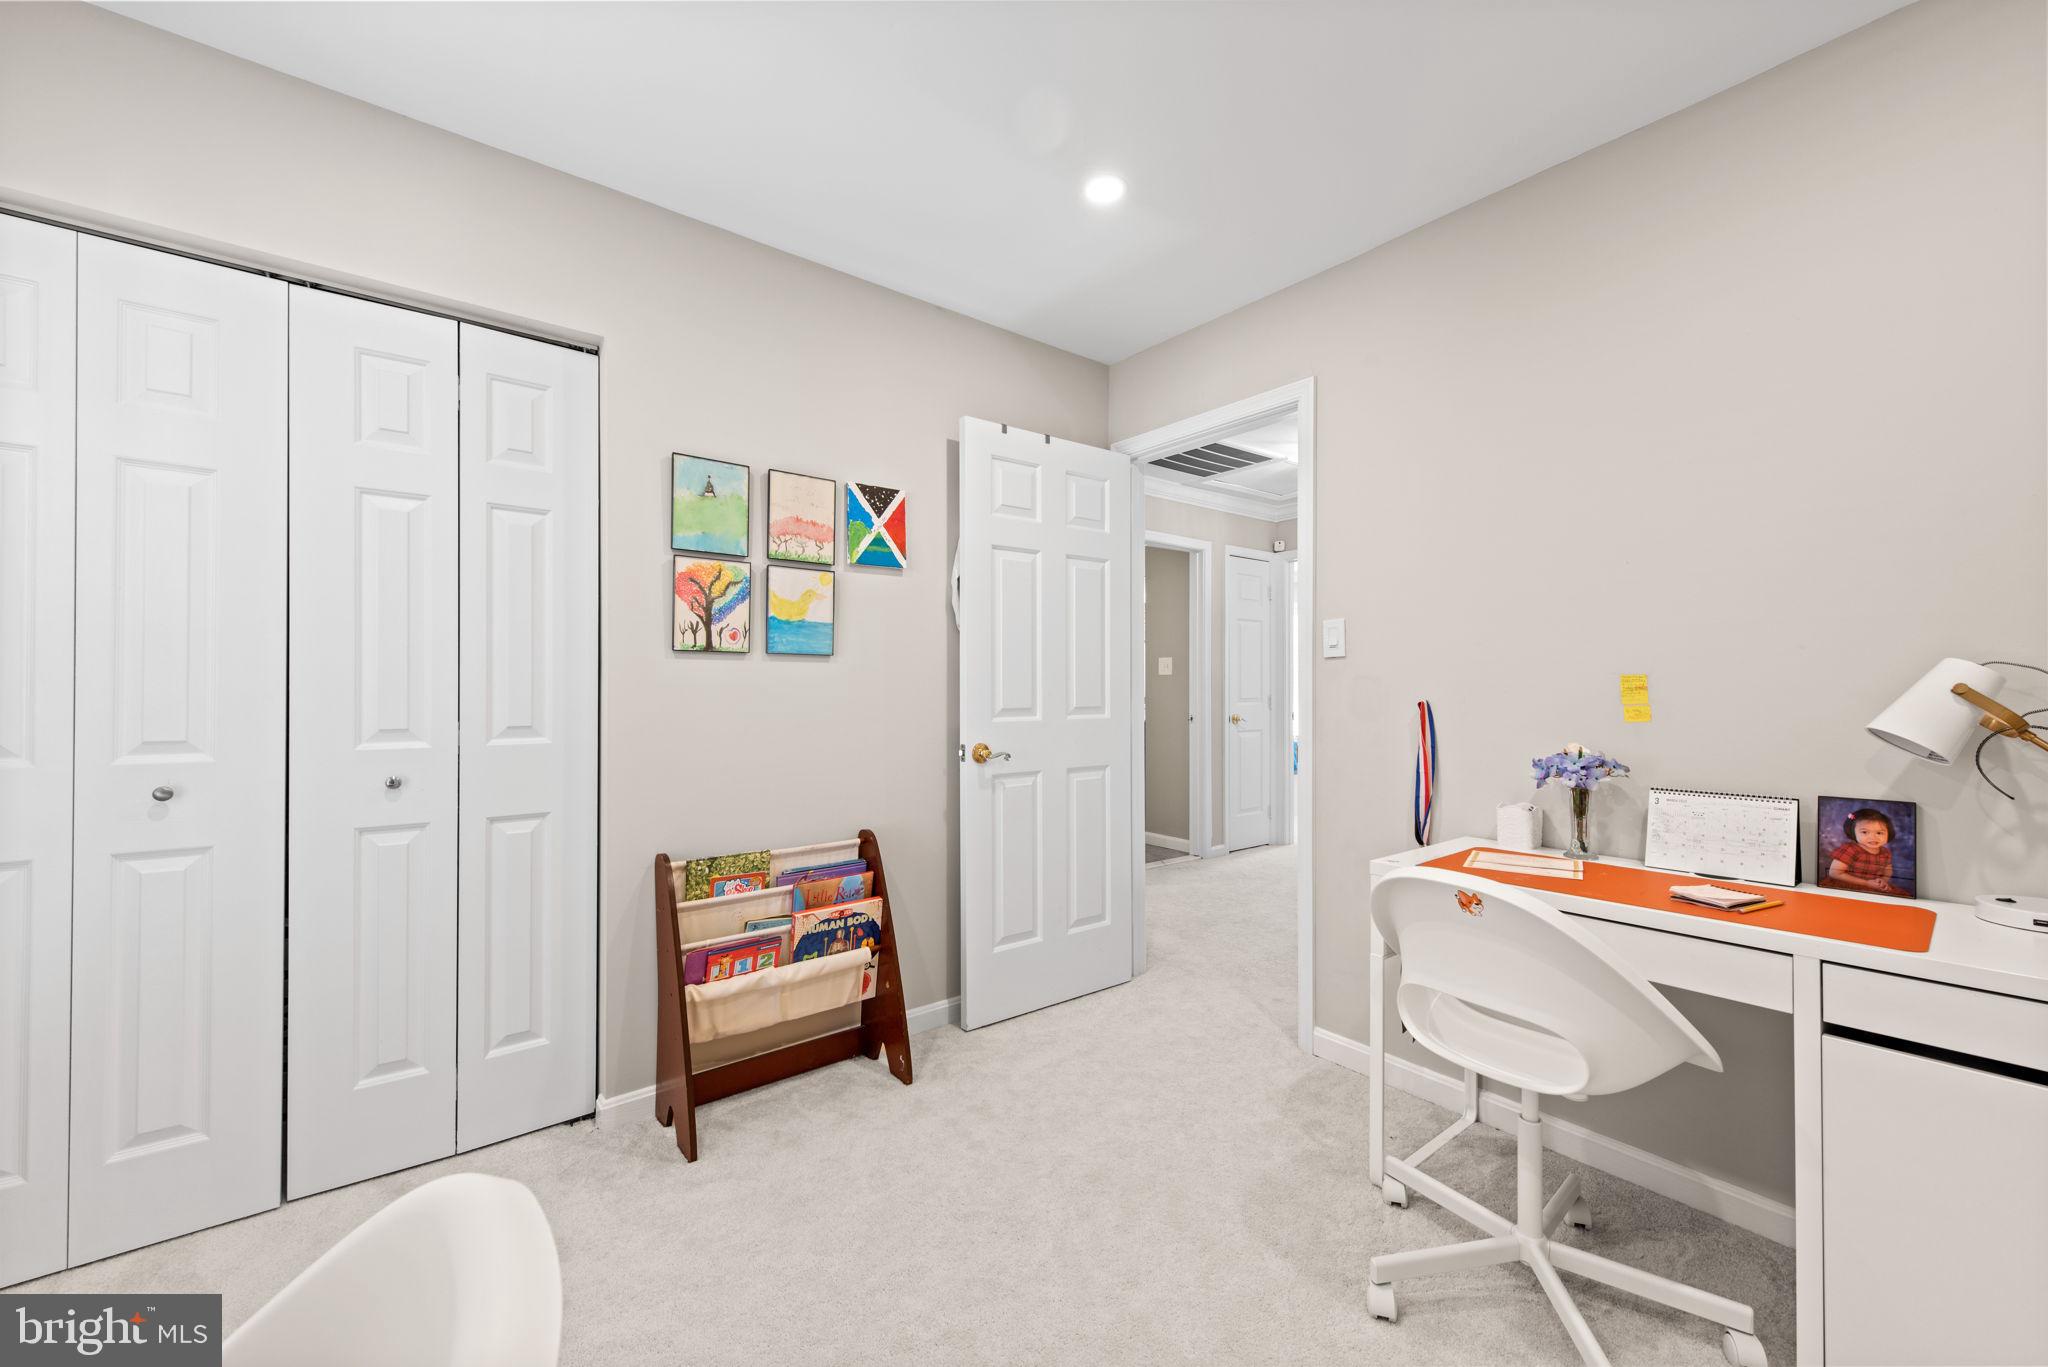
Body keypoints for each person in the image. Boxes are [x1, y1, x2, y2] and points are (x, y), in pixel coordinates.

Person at [1822, 808, 1896, 894]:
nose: (1873, 837)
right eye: (1864, 832)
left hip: (1873, 887)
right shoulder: (1850, 849)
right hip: (1848, 886)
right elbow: (1834, 873)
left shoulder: (1885, 852)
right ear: (1853, 832)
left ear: (1889, 833)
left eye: (1879, 833)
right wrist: (1866, 883)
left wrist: (1883, 881)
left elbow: (1888, 870)